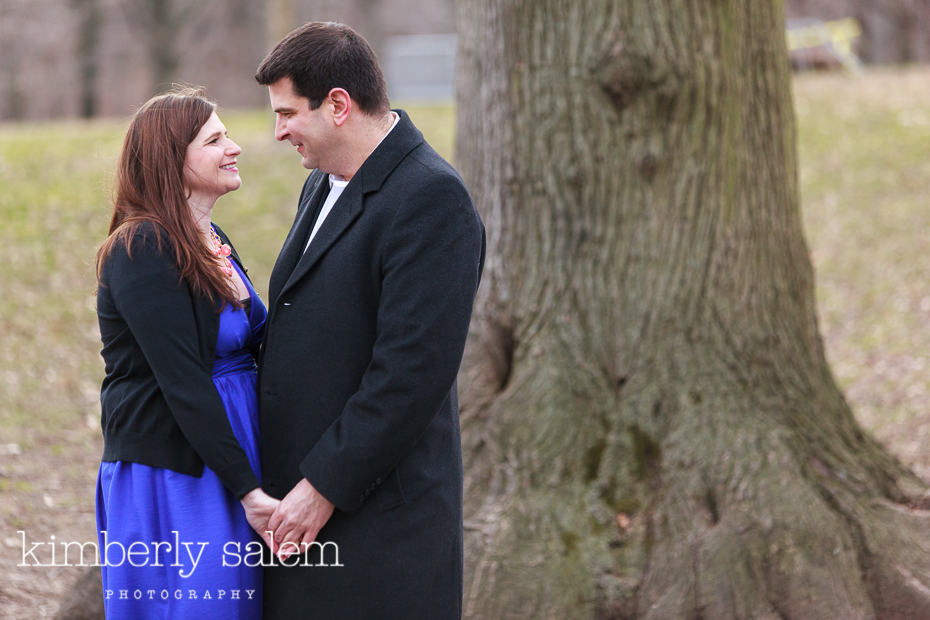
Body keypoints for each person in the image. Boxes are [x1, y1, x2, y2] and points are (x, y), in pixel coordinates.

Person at [254, 21, 485, 620]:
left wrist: (322, 487)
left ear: (337, 105)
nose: (277, 132)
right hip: (302, 515)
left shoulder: (432, 198)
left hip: (380, 530)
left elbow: (410, 374)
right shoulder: (320, 185)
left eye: (286, 114)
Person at [94, 88, 279, 619]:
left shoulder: (209, 236)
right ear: (172, 159)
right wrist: (246, 489)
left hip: (233, 448)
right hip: (180, 470)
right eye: (216, 139)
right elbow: (182, 380)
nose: (236, 147)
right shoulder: (143, 247)